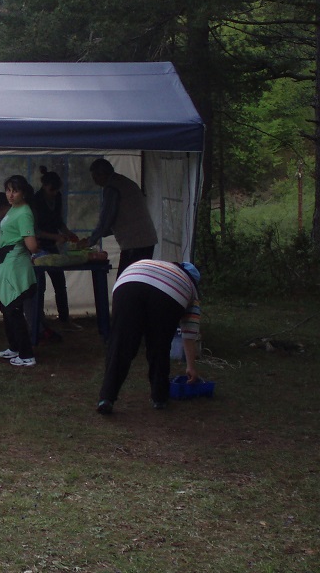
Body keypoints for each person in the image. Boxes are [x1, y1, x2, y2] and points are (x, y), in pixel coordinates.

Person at [96, 259, 201, 414]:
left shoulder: (157, 264)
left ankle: (106, 397)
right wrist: (191, 367)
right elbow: (189, 333)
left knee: (120, 343)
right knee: (159, 344)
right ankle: (159, 397)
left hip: (128, 282)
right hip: (169, 294)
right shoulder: (190, 288)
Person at [77, 157, 158, 275]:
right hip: (146, 239)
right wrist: (100, 234)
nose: (95, 182)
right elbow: (118, 219)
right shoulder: (124, 182)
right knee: (139, 277)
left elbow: (106, 220)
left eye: (95, 177)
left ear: (103, 175)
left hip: (135, 242)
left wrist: (90, 241)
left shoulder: (112, 188)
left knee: (126, 279)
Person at [0, 175, 39, 368]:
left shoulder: (25, 213)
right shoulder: (14, 208)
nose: (10, 195)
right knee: (6, 306)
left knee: (14, 308)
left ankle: (27, 354)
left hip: (16, 263)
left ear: (24, 192)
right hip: (6, 262)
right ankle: (14, 347)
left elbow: (32, 245)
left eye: (15, 191)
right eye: (8, 190)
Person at [31, 167, 79, 329]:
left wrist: (68, 233)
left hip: (52, 245)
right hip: (38, 246)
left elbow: (58, 221)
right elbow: (35, 230)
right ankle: (39, 319)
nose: (54, 193)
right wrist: (56, 237)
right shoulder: (35, 200)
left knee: (59, 282)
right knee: (40, 285)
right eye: (52, 190)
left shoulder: (57, 197)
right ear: (44, 186)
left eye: (56, 190)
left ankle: (64, 319)